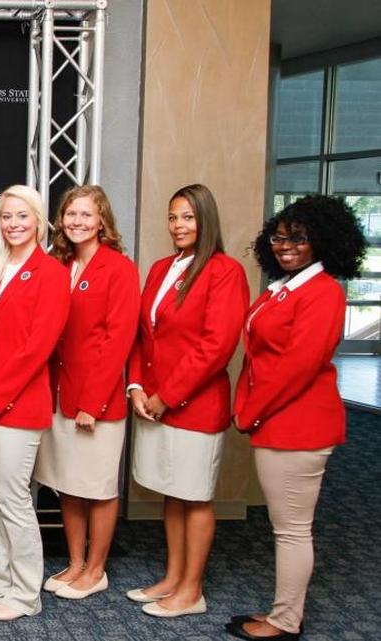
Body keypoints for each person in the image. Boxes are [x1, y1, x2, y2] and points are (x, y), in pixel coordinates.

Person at [226, 196, 365, 641]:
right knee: (286, 527)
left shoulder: (323, 292)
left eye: (298, 238)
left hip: (298, 425)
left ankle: (284, 622)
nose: (286, 245)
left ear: (321, 241)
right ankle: (282, 611)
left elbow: (296, 368)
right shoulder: (287, 286)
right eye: (280, 236)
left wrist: (248, 411)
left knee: (291, 530)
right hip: (279, 423)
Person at [126, 183, 248, 618]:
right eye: (174, 217)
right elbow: (144, 334)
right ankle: (173, 577)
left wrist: (166, 397)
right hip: (154, 402)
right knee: (171, 494)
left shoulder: (224, 271)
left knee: (195, 497)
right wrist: (137, 386)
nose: (179, 225)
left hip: (194, 406)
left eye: (188, 217)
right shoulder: (161, 268)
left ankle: (192, 591)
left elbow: (216, 347)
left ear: (206, 220)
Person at [0, 185, 70, 622]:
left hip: (17, 407)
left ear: (39, 220)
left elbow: (38, 347)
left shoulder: (51, 273)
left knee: (14, 499)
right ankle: (0, 581)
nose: (14, 224)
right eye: (7, 217)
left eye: (22, 216)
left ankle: (25, 593)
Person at [34, 185, 139, 600]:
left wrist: (92, 403)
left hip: (96, 401)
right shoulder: (58, 263)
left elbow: (118, 341)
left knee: (97, 487)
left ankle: (97, 569)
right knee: (67, 485)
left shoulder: (119, 268)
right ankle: (76, 563)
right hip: (59, 394)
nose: (77, 222)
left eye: (85, 215)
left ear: (102, 221)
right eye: (70, 214)